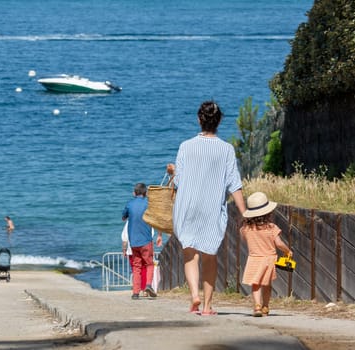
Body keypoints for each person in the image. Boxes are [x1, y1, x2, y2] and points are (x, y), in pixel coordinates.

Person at [166, 100, 246, 315]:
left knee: (189, 253)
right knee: (210, 254)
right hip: (211, 207)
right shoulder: (226, 149)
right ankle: (208, 306)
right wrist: (244, 212)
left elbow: (180, 180)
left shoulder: (186, 146)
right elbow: (234, 184)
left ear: (199, 119)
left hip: (187, 206)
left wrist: (173, 172)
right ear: (219, 121)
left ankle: (194, 296)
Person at [240, 192, 292, 317]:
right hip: (268, 259)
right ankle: (265, 306)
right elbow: (279, 244)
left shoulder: (246, 229)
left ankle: (257, 306)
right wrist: (287, 251)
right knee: (266, 284)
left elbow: (244, 237)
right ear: (268, 212)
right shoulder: (272, 227)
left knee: (255, 284)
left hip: (253, 258)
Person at [122, 182, 162, 300]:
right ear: (145, 193)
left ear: (134, 193)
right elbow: (157, 217)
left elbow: (123, 217)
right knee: (149, 264)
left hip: (133, 242)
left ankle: (135, 293)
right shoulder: (148, 203)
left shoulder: (129, 204)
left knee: (136, 266)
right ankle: (148, 285)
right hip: (146, 240)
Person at [121, 221, 159, 296]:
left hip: (132, 249)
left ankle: (136, 291)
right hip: (145, 246)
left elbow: (125, 237)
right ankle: (145, 289)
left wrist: (124, 250)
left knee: (136, 270)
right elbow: (151, 234)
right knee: (146, 268)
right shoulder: (147, 220)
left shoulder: (130, 221)